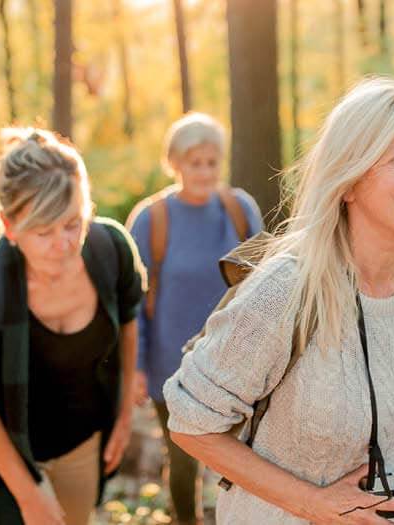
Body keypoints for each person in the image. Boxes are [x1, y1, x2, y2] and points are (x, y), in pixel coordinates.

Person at [163, 78, 394, 524]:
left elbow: (379, 416)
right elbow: (188, 421)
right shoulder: (289, 288)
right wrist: (313, 504)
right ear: (349, 180)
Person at [0, 129, 145, 525]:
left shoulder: (111, 250)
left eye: (73, 223)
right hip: (7, 453)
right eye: (44, 231)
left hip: (82, 443)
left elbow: (130, 322)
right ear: (9, 226)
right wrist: (30, 495)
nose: (64, 244)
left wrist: (123, 418)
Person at [126, 112, 264, 525]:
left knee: (243, 456)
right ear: (175, 163)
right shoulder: (153, 219)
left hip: (234, 357)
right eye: (194, 163)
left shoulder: (238, 209)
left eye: (211, 162)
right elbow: (134, 302)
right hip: (171, 363)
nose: (204, 172)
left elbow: (267, 282)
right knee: (184, 457)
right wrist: (135, 367)